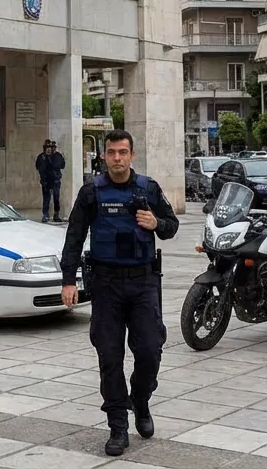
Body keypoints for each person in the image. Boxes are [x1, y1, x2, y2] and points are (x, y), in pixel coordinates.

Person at [60, 129, 179, 457]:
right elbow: (74, 237)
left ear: (131, 155)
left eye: (122, 152)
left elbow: (171, 226)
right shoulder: (91, 192)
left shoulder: (148, 189)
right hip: (106, 285)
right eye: (111, 152)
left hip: (143, 284)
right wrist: (68, 280)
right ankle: (117, 426)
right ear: (104, 156)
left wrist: (157, 224)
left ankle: (140, 399)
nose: (116, 158)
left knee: (150, 350)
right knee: (109, 356)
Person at [35, 140, 63, 223]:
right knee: (46, 198)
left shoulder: (56, 156)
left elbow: (62, 165)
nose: (49, 150)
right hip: (46, 181)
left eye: (50, 148)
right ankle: (45, 214)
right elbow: (38, 167)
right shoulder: (42, 157)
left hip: (55, 180)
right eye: (47, 148)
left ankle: (56, 214)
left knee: (56, 198)